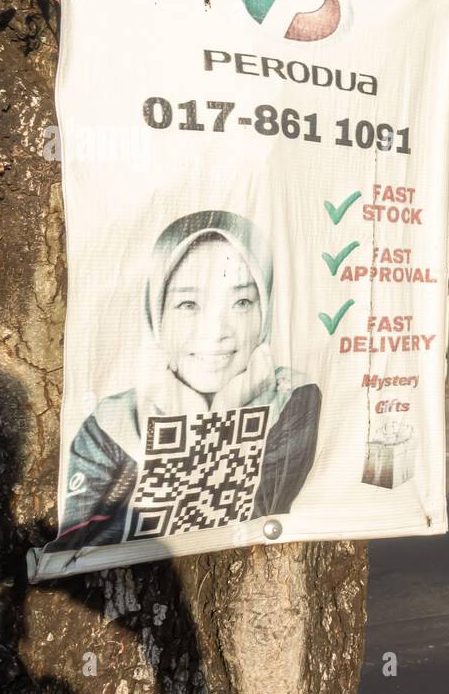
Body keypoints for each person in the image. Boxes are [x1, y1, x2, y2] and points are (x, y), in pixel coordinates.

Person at [47, 210, 321, 553]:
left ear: (264, 314)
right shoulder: (109, 423)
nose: (215, 332)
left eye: (241, 302)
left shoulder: (294, 399)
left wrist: (214, 419)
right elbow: (81, 543)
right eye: (188, 304)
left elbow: (256, 516)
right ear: (156, 316)